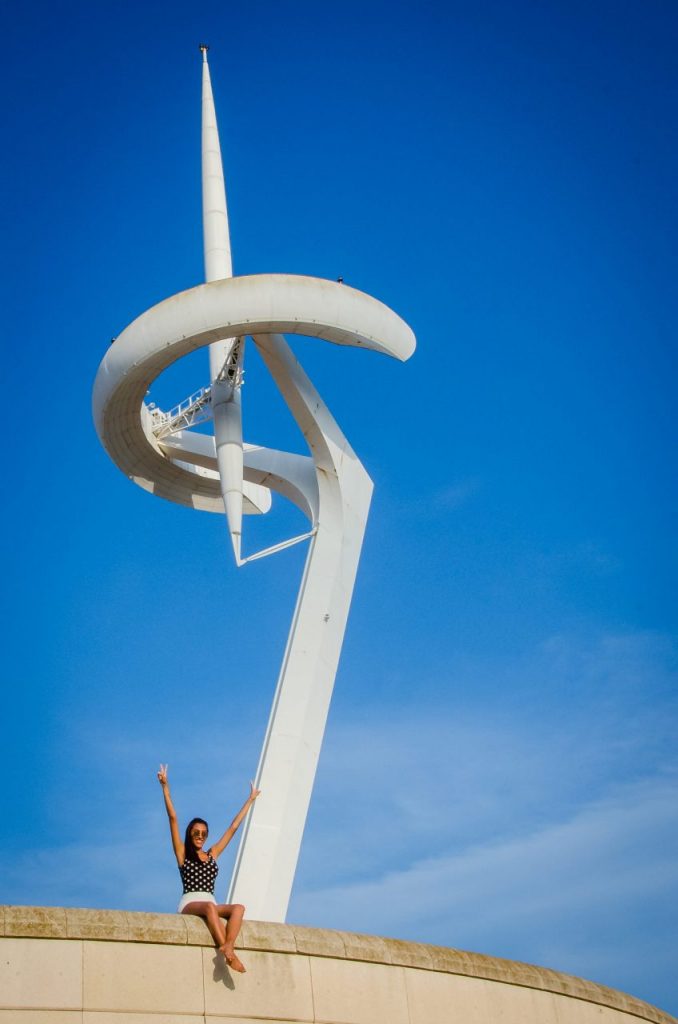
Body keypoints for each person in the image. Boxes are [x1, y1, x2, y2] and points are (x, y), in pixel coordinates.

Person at [157, 763, 260, 973]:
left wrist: (250, 800)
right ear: (190, 834)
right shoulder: (183, 853)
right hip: (191, 903)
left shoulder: (212, 854)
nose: (200, 837)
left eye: (204, 833)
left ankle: (228, 945)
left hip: (210, 903)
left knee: (238, 908)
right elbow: (173, 819)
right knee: (210, 907)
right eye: (196, 833)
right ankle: (230, 957)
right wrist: (165, 787)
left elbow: (233, 828)